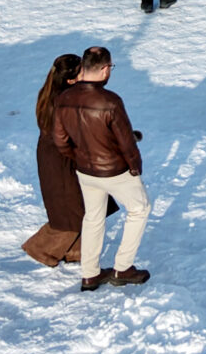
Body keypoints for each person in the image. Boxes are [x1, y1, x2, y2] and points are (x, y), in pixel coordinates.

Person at [48, 45, 150, 292]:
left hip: (85, 171)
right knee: (139, 209)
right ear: (105, 69)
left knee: (93, 217)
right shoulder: (110, 101)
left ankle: (90, 273)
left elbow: (60, 140)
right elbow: (126, 142)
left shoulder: (63, 99)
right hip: (115, 171)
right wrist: (135, 166)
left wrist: (79, 157)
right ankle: (122, 268)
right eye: (110, 67)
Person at [22, 53, 124, 267]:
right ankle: (41, 249)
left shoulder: (57, 92)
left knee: (85, 206)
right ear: (71, 80)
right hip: (61, 162)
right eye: (82, 73)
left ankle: (76, 252)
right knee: (72, 212)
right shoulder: (64, 101)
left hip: (62, 157)